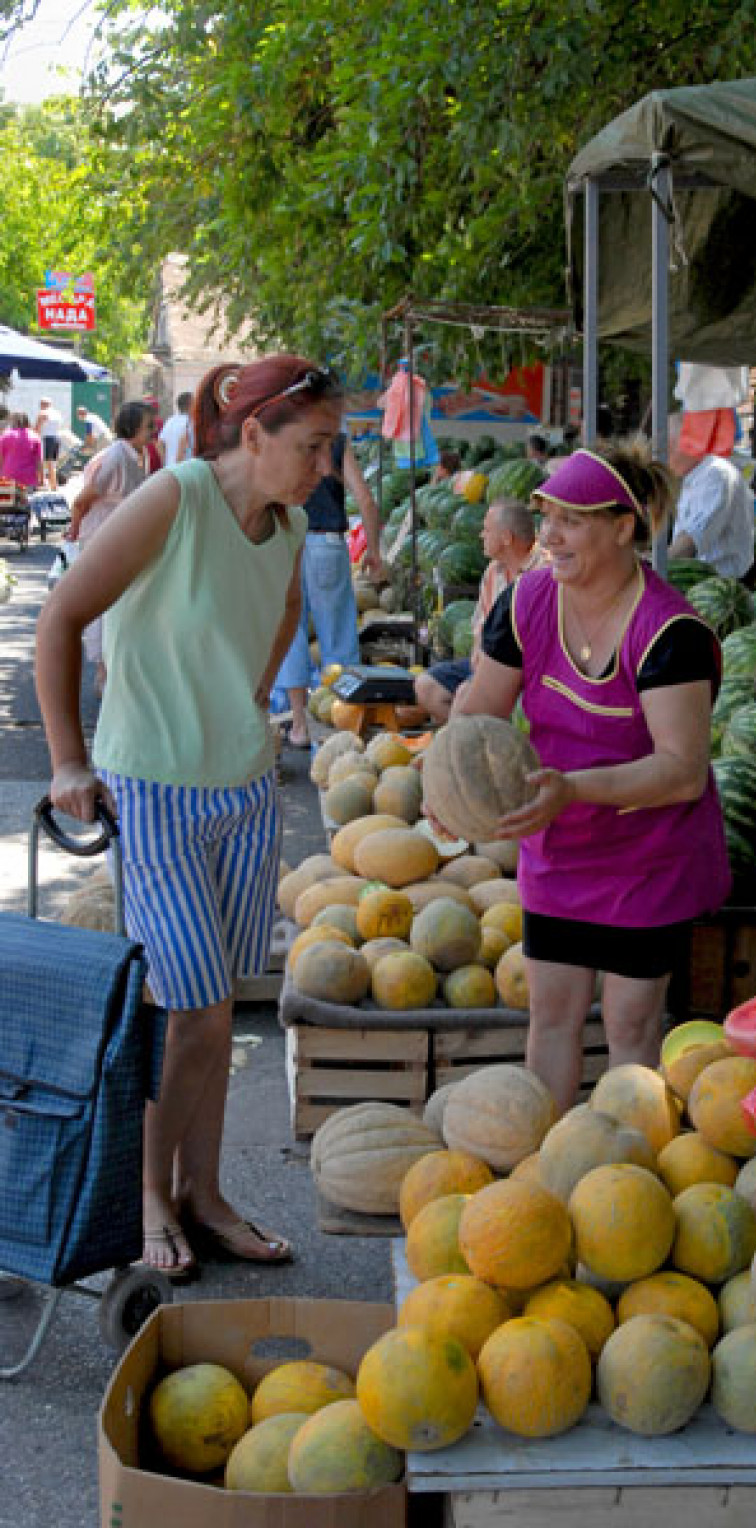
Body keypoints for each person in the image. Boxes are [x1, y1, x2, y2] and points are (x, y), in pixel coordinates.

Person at [36, 354, 344, 1280]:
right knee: (194, 1014)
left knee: (217, 1017)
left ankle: (203, 1195)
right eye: (316, 446)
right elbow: (60, 618)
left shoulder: (286, 524)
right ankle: (145, 1197)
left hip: (246, 791)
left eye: (334, 448)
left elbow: (286, 608)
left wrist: (249, 693)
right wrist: (66, 762)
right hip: (155, 788)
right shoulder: (176, 496)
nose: (325, 469)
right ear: (254, 433)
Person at [433, 443, 730, 1111]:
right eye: (546, 519)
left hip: (647, 856)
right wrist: (443, 787)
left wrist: (571, 789)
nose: (551, 537)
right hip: (560, 847)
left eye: (571, 520)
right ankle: (547, 1169)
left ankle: (629, 1179)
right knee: (554, 1017)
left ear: (623, 527)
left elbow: (681, 772)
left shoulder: (668, 631)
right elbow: (477, 709)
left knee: (629, 1023)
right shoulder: (527, 601)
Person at [276, 428, 385, 748]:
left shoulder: (286, 437)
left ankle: (299, 725)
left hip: (287, 542)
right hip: (328, 544)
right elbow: (364, 498)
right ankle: (343, 722)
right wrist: (374, 551)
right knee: (337, 636)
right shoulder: (337, 441)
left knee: (290, 634)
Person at [414, 497, 544, 723]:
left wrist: (484, 679)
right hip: (486, 665)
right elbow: (480, 626)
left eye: (486, 530)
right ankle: (472, 740)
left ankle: (474, 749)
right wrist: (478, 661)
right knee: (426, 687)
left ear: (506, 538)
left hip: (523, 673)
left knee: (465, 695)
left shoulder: (545, 572)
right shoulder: (493, 571)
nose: (481, 536)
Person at [67, 401, 155, 695]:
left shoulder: (135, 454)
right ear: (133, 428)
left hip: (118, 536)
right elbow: (84, 498)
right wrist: (75, 529)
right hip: (101, 536)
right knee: (102, 602)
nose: (153, 431)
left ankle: (112, 667)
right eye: (148, 426)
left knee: (118, 600)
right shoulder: (117, 456)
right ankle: (102, 672)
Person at [667, 442, 756, 578]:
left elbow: (689, 543)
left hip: (724, 585)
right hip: (704, 582)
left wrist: (652, 566)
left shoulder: (714, 474)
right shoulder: (695, 477)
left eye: (667, 448)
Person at [0, 411, 42, 490]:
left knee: (9, 500)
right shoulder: (35, 436)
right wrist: (40, 479)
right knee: (28, 500)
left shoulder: (4, 436)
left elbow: (1, 459)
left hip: (9, 477)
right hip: (29, 478)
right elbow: (39, 461)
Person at [34, 396, 63, 491]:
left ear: (43, 404)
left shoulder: (43, 413)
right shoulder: (57, 413)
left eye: (41, 404)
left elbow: (37, 428)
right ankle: (54, 485)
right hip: (57, 439)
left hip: (47, 439)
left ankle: (42, 483)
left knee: (41, 461)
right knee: (53, 463)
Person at [158, 391, 194, 465]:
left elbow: (160, 443)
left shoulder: (170, 420)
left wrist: (164, 462)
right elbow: (183, 448)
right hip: (183, 469)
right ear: (190, 405)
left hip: (170, 468)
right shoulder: (190, 423)